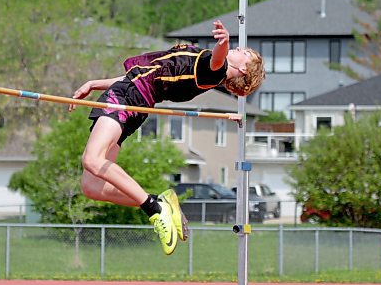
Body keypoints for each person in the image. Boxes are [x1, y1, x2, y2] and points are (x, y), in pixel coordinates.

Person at [69, 20, 265, 255]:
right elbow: (140, 75)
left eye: (245, 53)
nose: (239, 49)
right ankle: (158, 202)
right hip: (132, 98)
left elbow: (217, 60)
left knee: (92, 159)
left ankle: (154, 208)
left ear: (243, 69)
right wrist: (94, 84)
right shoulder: (202, 65)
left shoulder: (213, 71)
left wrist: (224, 42)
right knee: (91, 186)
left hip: (127, 98)